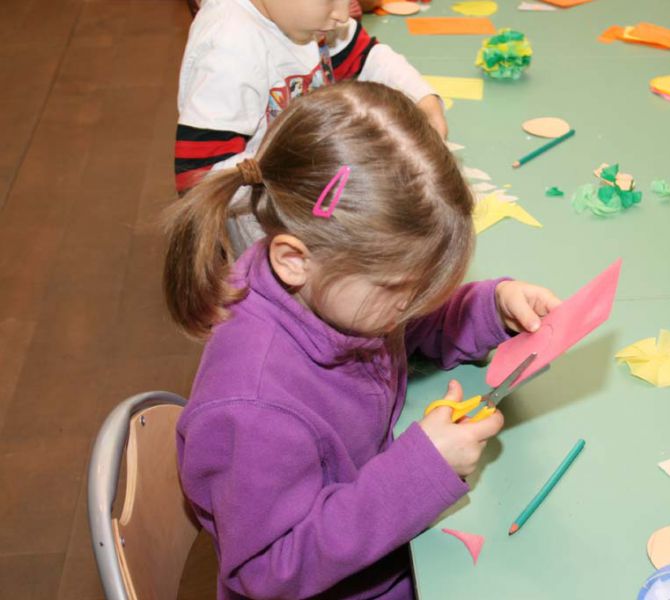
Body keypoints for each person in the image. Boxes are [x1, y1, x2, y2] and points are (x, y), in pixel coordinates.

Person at [164, 81, 560, 600]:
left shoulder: (327, 287)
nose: (412, 304)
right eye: (400, 289)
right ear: (293, 260)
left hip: (384, 541)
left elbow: (403, 326)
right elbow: (267, 571)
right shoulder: (253, 411)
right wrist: (420, 472)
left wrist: (490, 307)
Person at [174, 0, 447, 196]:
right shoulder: (228, 48)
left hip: (305, 187)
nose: (343, 14)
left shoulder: (307, 19)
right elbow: (199, 180)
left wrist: (423, 99)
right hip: (259, 221)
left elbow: (367, 57)